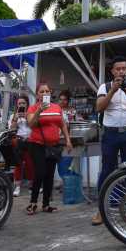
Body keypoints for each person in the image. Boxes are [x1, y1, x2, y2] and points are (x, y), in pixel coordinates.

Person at [91, 57, 126, 226]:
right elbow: (99, 108)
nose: (121, 71)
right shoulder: (105, 87)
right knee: (108, 170)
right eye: (118, 69)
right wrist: (112, 91)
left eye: (124, 68)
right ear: (112, 72)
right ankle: (101, 209)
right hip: (110, 134)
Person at [26, 83, 73, 215]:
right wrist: (39, 111)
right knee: (40, 172)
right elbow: (31, 124)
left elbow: (62, 124)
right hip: (37, 144)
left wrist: (68, 140)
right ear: (37, 94)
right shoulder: (33, 108)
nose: (45, 93)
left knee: (49, 175)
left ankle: (46, 204)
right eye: (42, 91)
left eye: (47, 91)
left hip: (53, 146)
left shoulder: (57, 107)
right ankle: (33, 202)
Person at [9, 95, 33, 197]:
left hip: (30, 140)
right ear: (17, 105)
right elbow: (12, 129)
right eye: (19, 103)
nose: (21, 105)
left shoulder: (31, 114)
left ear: (27, 104)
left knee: (30, 164)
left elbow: (33, 126)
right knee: (18, 164)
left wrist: (27, 117)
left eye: (23, 103)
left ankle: (31, 185)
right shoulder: (14, 115)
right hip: (18, 140)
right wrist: (15, 119)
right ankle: (17, 186)